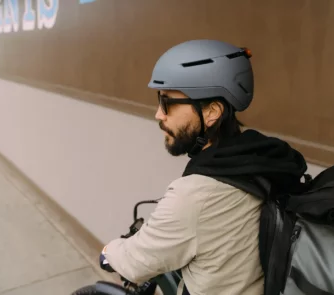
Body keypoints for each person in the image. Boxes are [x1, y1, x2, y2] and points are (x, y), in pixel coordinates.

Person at [101, 39, 308, 295]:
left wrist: (109, 252)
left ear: (211, 112)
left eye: (167, 102)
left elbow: (136, 262)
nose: (158, 114)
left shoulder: (195, 195)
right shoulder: (262, 160)